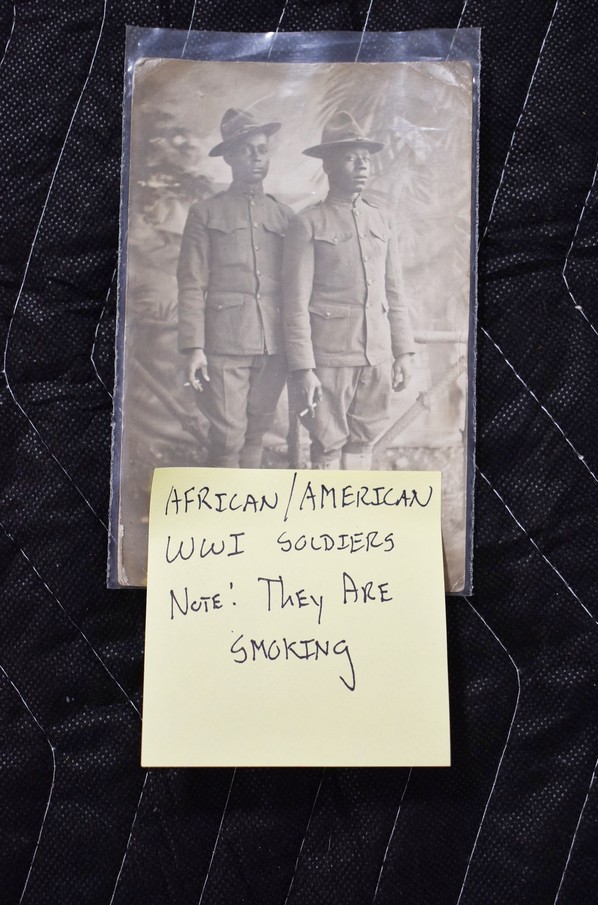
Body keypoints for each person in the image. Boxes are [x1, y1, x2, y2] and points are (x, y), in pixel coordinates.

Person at [283, 111, 416, 470]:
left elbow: (395, 292)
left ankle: (354, 506)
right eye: (350, 157)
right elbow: (294, 304)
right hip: (329, 359)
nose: (362, 165)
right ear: (327, 165)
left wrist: (403, 352)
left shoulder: (382, 220)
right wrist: (304, 368)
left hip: (376, 356)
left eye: (365, 157)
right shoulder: (308, 223)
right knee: (327, 444)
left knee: (363, 443)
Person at [177, 107, 293, 467]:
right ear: (228, 157)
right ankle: (223, 501)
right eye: (246, 150)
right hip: (224, 341)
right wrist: (194, 347)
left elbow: (297, 285)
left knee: (257, 429)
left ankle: (248, 501)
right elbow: (191, 283)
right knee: (228, 435)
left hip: (273, 342)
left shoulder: (284, 216)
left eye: (262, 149)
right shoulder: (206, 213)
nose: (257, 157)